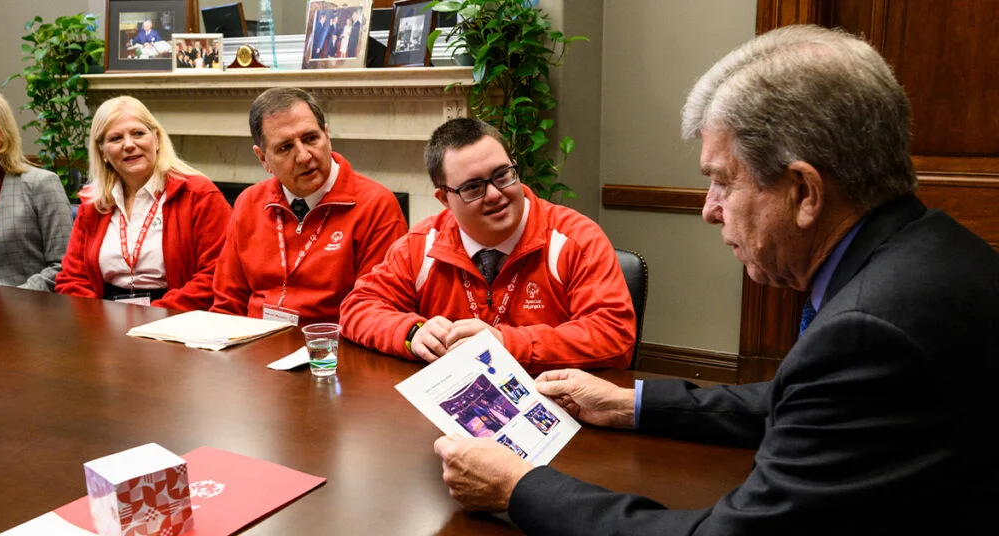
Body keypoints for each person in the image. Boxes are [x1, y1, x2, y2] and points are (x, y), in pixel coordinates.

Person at [431, 25, 999, 534]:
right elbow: (792, 399)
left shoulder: (867, 332)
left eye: (723, 182)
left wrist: (519, 487)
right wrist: (629, 404)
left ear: (803, 192)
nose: (708, 209)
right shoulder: (930, 248)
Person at [340, 118, 635, 373]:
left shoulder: (575, 239)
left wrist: (507, 343)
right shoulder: (422, 245)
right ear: (444, 200)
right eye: (472, 187)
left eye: (502, 175)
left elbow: (614, 335)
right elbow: (358, 307)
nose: (494, 194)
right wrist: (411, 332)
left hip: (552, 405)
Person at [210, 87, 407, 326]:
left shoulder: (376, 205)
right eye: (285, 147)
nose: (303, 156)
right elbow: (228, 302)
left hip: (332, 349)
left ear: (326, 135)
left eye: (310, 138)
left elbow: (376, 311)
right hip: (253, 345)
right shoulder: (249, 203)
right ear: (263, 159)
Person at [55, 96, 231, 310]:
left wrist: (155, 316)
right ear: (102, 152)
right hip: (103, 317)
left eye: (138, 133)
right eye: (116, 138)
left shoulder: (199, 194)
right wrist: (97, 319)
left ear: (156, 139)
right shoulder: (92, 204)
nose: (129, 145)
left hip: (176, 317)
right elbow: (71, 279)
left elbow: (216, 273)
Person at [0, 85, 72, 291]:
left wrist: (14, 300)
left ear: (5, 130)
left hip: (26, 308)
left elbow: (64, 265)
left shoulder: (42, 184)